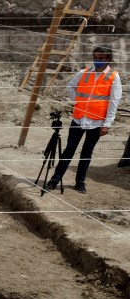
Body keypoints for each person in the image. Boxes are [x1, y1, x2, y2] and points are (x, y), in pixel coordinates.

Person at [45, 46, 122, 194]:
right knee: (68, 150)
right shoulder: (84, 73)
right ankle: (55, 180)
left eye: (101, 58)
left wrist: (107, 124)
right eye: (95, 57)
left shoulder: (114, 77)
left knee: (87, 153)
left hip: (97, 122)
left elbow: (114, 102)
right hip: (79, 119)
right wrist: (78, 102)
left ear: (108, 59)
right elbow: (70, 86)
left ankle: (80, 182)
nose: (97, 60)